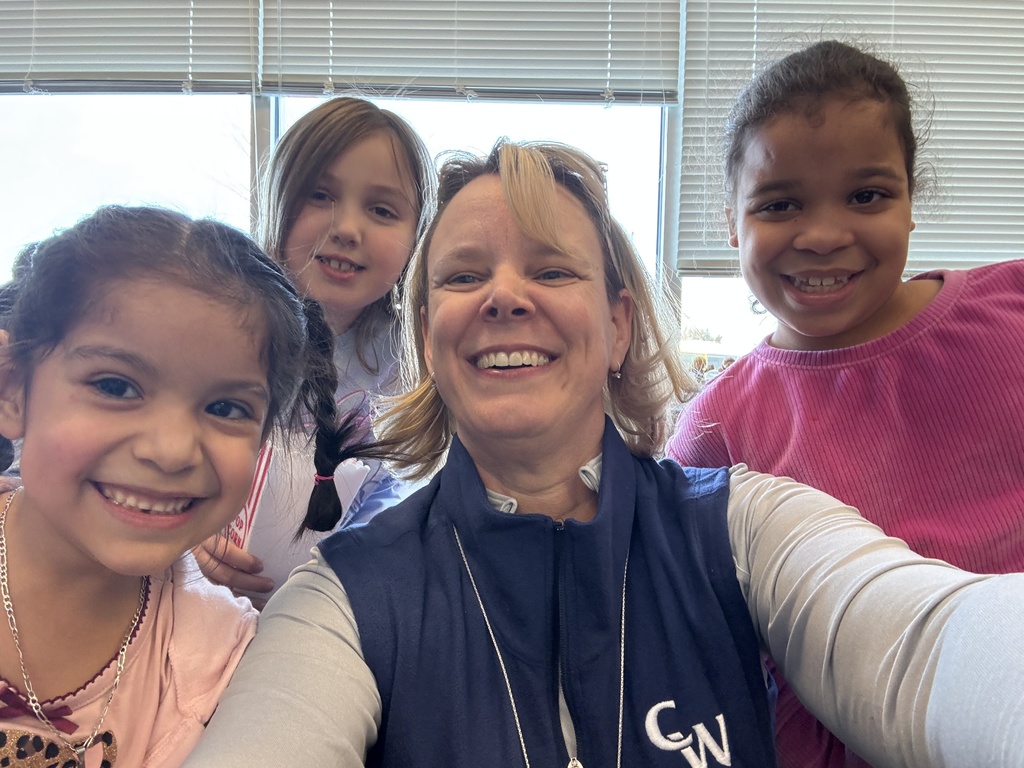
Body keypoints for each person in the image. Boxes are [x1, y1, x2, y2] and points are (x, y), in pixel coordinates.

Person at [184, 140, 1024, 768]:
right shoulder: (341, 597)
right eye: (465, 276)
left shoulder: (748, 527)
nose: (505, 296)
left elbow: (931, 644)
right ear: (429, 338)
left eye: (552, 271)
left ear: (619, 326)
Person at [665, 40, 1024, 768]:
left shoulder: (1011, 313)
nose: (825, 235)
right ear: (732, 222)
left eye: (866, 196)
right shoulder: (714, 431)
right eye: (780, 204)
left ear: (911, 201)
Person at [0, 205, 369, 765]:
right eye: (116, 386)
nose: (172, 450)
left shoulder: (228, 663)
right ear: (12, 390)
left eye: (226, 408)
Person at [196, 97, 436, 601]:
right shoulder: (216, 327)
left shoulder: (413, 366)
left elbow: (393, 500)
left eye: (382, 210)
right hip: (190, 591)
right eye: (320, 195)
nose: (346, 229)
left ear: (418, 235)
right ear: (278, 201)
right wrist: (186, 535)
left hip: (323, 607)